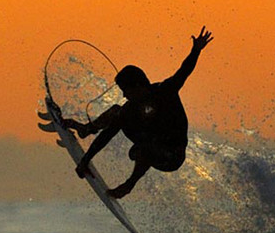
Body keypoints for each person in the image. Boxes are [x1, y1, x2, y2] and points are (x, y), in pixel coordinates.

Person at [64, 27, 213, 199]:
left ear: (138, 86)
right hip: (149, 142)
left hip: (172, 155)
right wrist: (86, 159)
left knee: (143, 148)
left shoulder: (165, 91)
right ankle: (87, 129)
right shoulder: (130, 108)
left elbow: (183, 71)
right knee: (117, 112)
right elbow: (108, 134)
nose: (124, 95)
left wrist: (196, 50)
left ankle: (128, 185)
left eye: (125, 90)